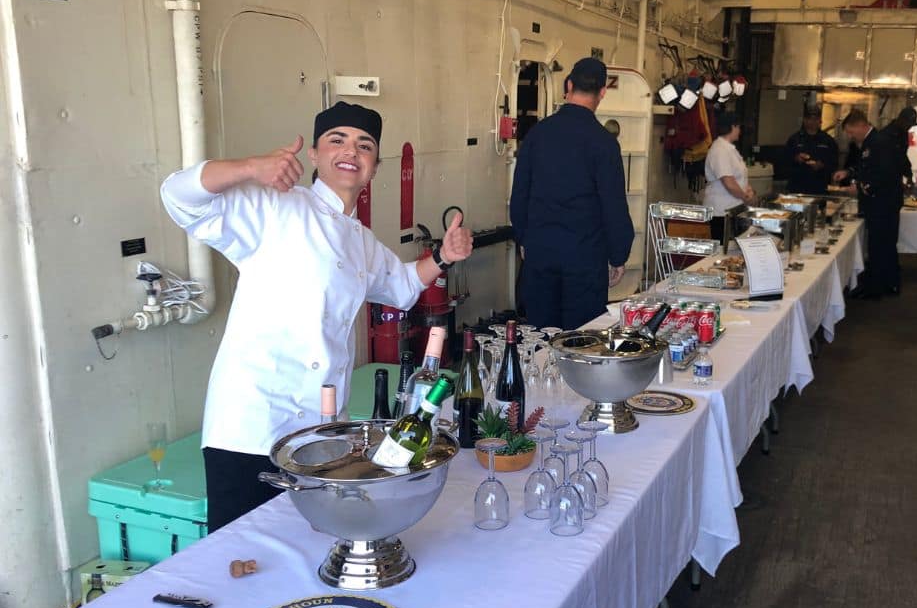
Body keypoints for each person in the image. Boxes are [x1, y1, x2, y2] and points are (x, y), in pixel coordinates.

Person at [160, 101, 474, 531]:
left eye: (364, 145)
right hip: (254, 422)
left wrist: (442, 256)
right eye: (337, 140)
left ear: (374, 166)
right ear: (313, 154)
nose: (351, 151)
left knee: (303, 547)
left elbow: (400, 286)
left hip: (320, 428)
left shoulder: (359, 238)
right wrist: (252, 167)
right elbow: (178, 195)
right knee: (242, 557)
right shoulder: (276, 206)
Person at [510, 57, 635, 329]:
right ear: (602, 92)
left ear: (568, 85)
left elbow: (519, 194)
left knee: (542, 338)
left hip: (541, 256)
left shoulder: (537, 135)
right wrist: (618, 255)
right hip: (585, 261)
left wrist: (523, 238)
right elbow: (613, 206)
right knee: (580, 343)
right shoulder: (604, 144)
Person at [833, 110, 905, 299]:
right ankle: (887, 283)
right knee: (882, 244)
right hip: (879, 202)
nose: (850, 136)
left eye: (850, 131)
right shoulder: (870, 142)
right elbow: (865, 166)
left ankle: (879, 287)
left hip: (883, 203)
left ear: (860, 125)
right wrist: (849, 173)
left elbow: (884, 174)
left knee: (881, 245)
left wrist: (862, 188)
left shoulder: (879, 142)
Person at [703, 112, 754, 240]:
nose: (740, 131)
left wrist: (749, 190)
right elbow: (729, 183)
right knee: (724, 252)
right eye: (738, 127)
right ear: (733, 127)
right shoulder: (719, 150)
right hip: (721, 212)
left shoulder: (730, 149)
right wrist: (746, 198)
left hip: (734, 209)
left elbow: (739, 178)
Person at [784, 106, 838, 195]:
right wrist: (796, 158)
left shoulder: (828, 140)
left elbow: (834, 163)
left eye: (816, 119)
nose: (813, 122)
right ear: (804, 120)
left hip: (820, 187)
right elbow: (785, 160)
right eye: (810, 119)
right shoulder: (794, 139)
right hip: (797, 186)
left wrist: (822, 165)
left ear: (820, 121)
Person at [881, 106, 917, 191]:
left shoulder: (903, 134)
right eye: (908, 124)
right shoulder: (887, 135)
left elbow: (903, 156)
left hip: (896, 178)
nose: (909, 127)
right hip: (886, 179)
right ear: (901, 120)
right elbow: (888, 161)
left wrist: (909, 175)